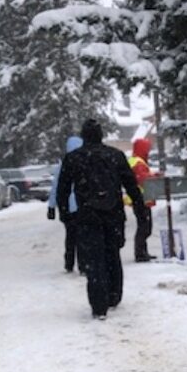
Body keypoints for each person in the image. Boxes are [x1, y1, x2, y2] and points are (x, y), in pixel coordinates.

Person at [57, 119, 147, 320]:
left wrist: (65, 215)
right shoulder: (115, 156)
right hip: (113, 213)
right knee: (112, 253)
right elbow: (131, 185)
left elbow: (63, 188)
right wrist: (139, 209)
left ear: (83, 137)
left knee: (94, 259)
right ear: (101, 135)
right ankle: (114, 294)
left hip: (87, 215)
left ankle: (98, 304)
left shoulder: (73, 158)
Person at [47, 135, 84, 273]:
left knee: (70, 236)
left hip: (67, 207)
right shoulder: (86, 163)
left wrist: (52, 206)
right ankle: (83, 264)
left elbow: (55, 188)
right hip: (83, 206)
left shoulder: (62, 166)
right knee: (83, 237)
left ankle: (69, 262)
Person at [124, 137, 159, 262]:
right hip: (141, 198)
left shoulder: (134, 160)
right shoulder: (138, 162)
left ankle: (143, 252)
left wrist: (153, 175)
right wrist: (155, 178)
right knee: (145, 227)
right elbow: (143, 179)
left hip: (139, 198)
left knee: (143, 226)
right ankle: (140, 253)